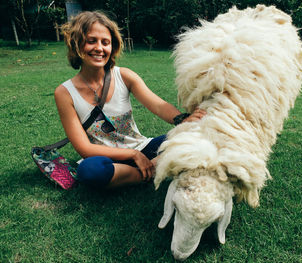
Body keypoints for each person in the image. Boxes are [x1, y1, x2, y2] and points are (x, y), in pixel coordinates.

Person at [55, 11, 205, 189]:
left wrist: (182, 120)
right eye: (91, 41)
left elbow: (157, 105)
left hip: (143, 147)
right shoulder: (64, 93)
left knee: (194, 136)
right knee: (89, 172)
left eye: (105, 42)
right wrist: (133, 155)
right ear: (77, 44)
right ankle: (152, 171)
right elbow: (85, 149)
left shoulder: (124, 76)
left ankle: (143, 172)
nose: (99, 48)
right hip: (106, 159)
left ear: (113, 47)